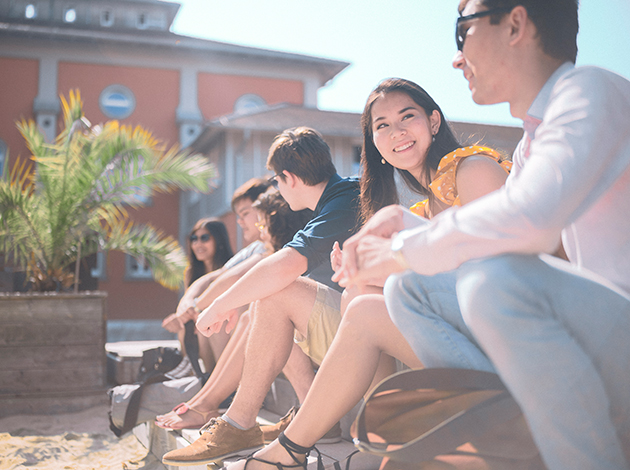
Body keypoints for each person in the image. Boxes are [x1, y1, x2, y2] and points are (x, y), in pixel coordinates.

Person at [336, 2, 630, 470]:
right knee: (407, 288)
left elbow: (528, 222)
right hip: (599, 330)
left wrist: (402, 247)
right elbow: (498, 225)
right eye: (382, 126)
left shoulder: (589, 90)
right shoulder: (534, 140)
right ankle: (507, 419)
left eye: (462, 32)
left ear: (515, 24)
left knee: (495, 281)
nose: (456, 59)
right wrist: (400, 228)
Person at [225, 77, 511, 470]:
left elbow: (506, 269)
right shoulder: (424, 208)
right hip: (467, 340)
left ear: (433, 121)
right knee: (357, 293)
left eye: (406, 117)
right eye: (382, 125)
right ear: (373, 142)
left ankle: (290, 450)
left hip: (508, 348)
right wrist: (365, 271)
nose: (396, 132)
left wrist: (395, 260)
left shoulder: (473, 168)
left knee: (362, 307)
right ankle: (383, 438)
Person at [161, 127, 360, 467]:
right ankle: (246, 416)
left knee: (276, 292)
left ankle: (238, 422)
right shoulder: (340, 198)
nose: (277, 189)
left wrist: (219, 306)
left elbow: (284, 265)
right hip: (357, 327)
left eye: (276, 180)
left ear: (289, 177)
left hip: (371, 338)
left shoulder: (345, 199)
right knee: (266, 301)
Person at [156, 190, 313, 430]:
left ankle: (209, 402)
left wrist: (207, 307)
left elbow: (234, 277)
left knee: (254, 311)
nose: (258, 230)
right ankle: (205, 400)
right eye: (193, 238)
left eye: (260, 221)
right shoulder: (274, 250)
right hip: (304, 324)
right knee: (249, 314)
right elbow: (223, 276)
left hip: (310, 328)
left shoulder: (280, 254)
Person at [162, 178, 270, 365]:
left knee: (218, 308)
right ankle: (206, 378)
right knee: (208, 311)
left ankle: (217, 385)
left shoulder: (271, 247)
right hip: (236, 329)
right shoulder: (253, 249)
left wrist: (196, 307)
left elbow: (230, 277)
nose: (240, 221)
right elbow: (212, 279)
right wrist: (187, 306)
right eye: (193, 238)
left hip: (264, 325)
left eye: (204, 237)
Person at [161, 218, 233, 372]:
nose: (198, 244)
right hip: (201, 329)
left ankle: (218, 381)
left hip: (227, 328)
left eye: (204, 238)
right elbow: (188, 305)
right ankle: (201, 378)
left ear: (219, 239)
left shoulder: (231, 270)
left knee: (208, 326)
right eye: (194, 239)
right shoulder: (191, 272)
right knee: (187, 327)